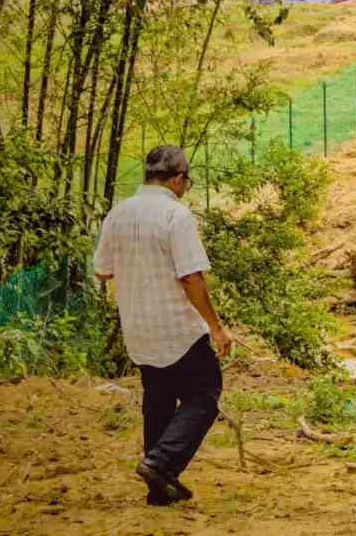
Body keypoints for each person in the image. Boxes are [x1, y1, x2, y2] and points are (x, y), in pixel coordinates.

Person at [91, 144, 232, 507]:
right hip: (177, 328)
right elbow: (191, 278)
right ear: (177, 178)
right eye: (187, 180)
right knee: (205, 392)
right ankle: (161, 462)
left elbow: (102, 269)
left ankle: (159, 489)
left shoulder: (118, 214)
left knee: (159, 402)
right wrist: (215, 326)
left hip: (138, 328)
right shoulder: (176, 215)